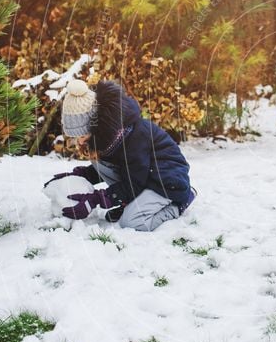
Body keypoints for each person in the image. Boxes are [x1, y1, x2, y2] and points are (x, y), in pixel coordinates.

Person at [44, 79, 196, 231]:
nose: (79, 140)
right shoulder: (110, 133)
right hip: (144, 176)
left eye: (82, 134)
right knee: (98, 161)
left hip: (167, 181)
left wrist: (97, 199)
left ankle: (180, 203)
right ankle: (131, 203)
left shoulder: (134, 136)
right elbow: (115, 167)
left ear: (95, 125)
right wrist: (78, 176)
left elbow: (134, 182)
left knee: (131, 222)